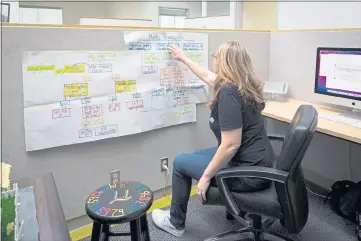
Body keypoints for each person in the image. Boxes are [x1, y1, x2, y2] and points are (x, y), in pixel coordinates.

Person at [152, 41, 275, 237]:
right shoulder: (245, 85)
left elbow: (230, 144)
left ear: (224, 61)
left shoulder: (228, 92)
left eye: (215, 56)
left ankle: (175, 223)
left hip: (246, 171)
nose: (213, 59)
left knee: (180, 163)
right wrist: (183, 58)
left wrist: (206, 176)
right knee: (192, 157)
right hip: (260, 161)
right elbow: (207, 76)